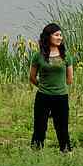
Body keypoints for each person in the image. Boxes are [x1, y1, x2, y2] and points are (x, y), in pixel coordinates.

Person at [29, 23, 74, 152]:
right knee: (39, 128)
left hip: (61, 98)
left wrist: (58, 87)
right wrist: (43, 86)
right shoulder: (38, 56)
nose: (60, 37)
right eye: (56, 35)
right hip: (43, 97)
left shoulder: (66, 55)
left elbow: (69, 79)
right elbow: (32, 77)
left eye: (61, 35)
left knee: (62, 129)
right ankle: (36, 156)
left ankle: (66, 155)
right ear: (48, 36)